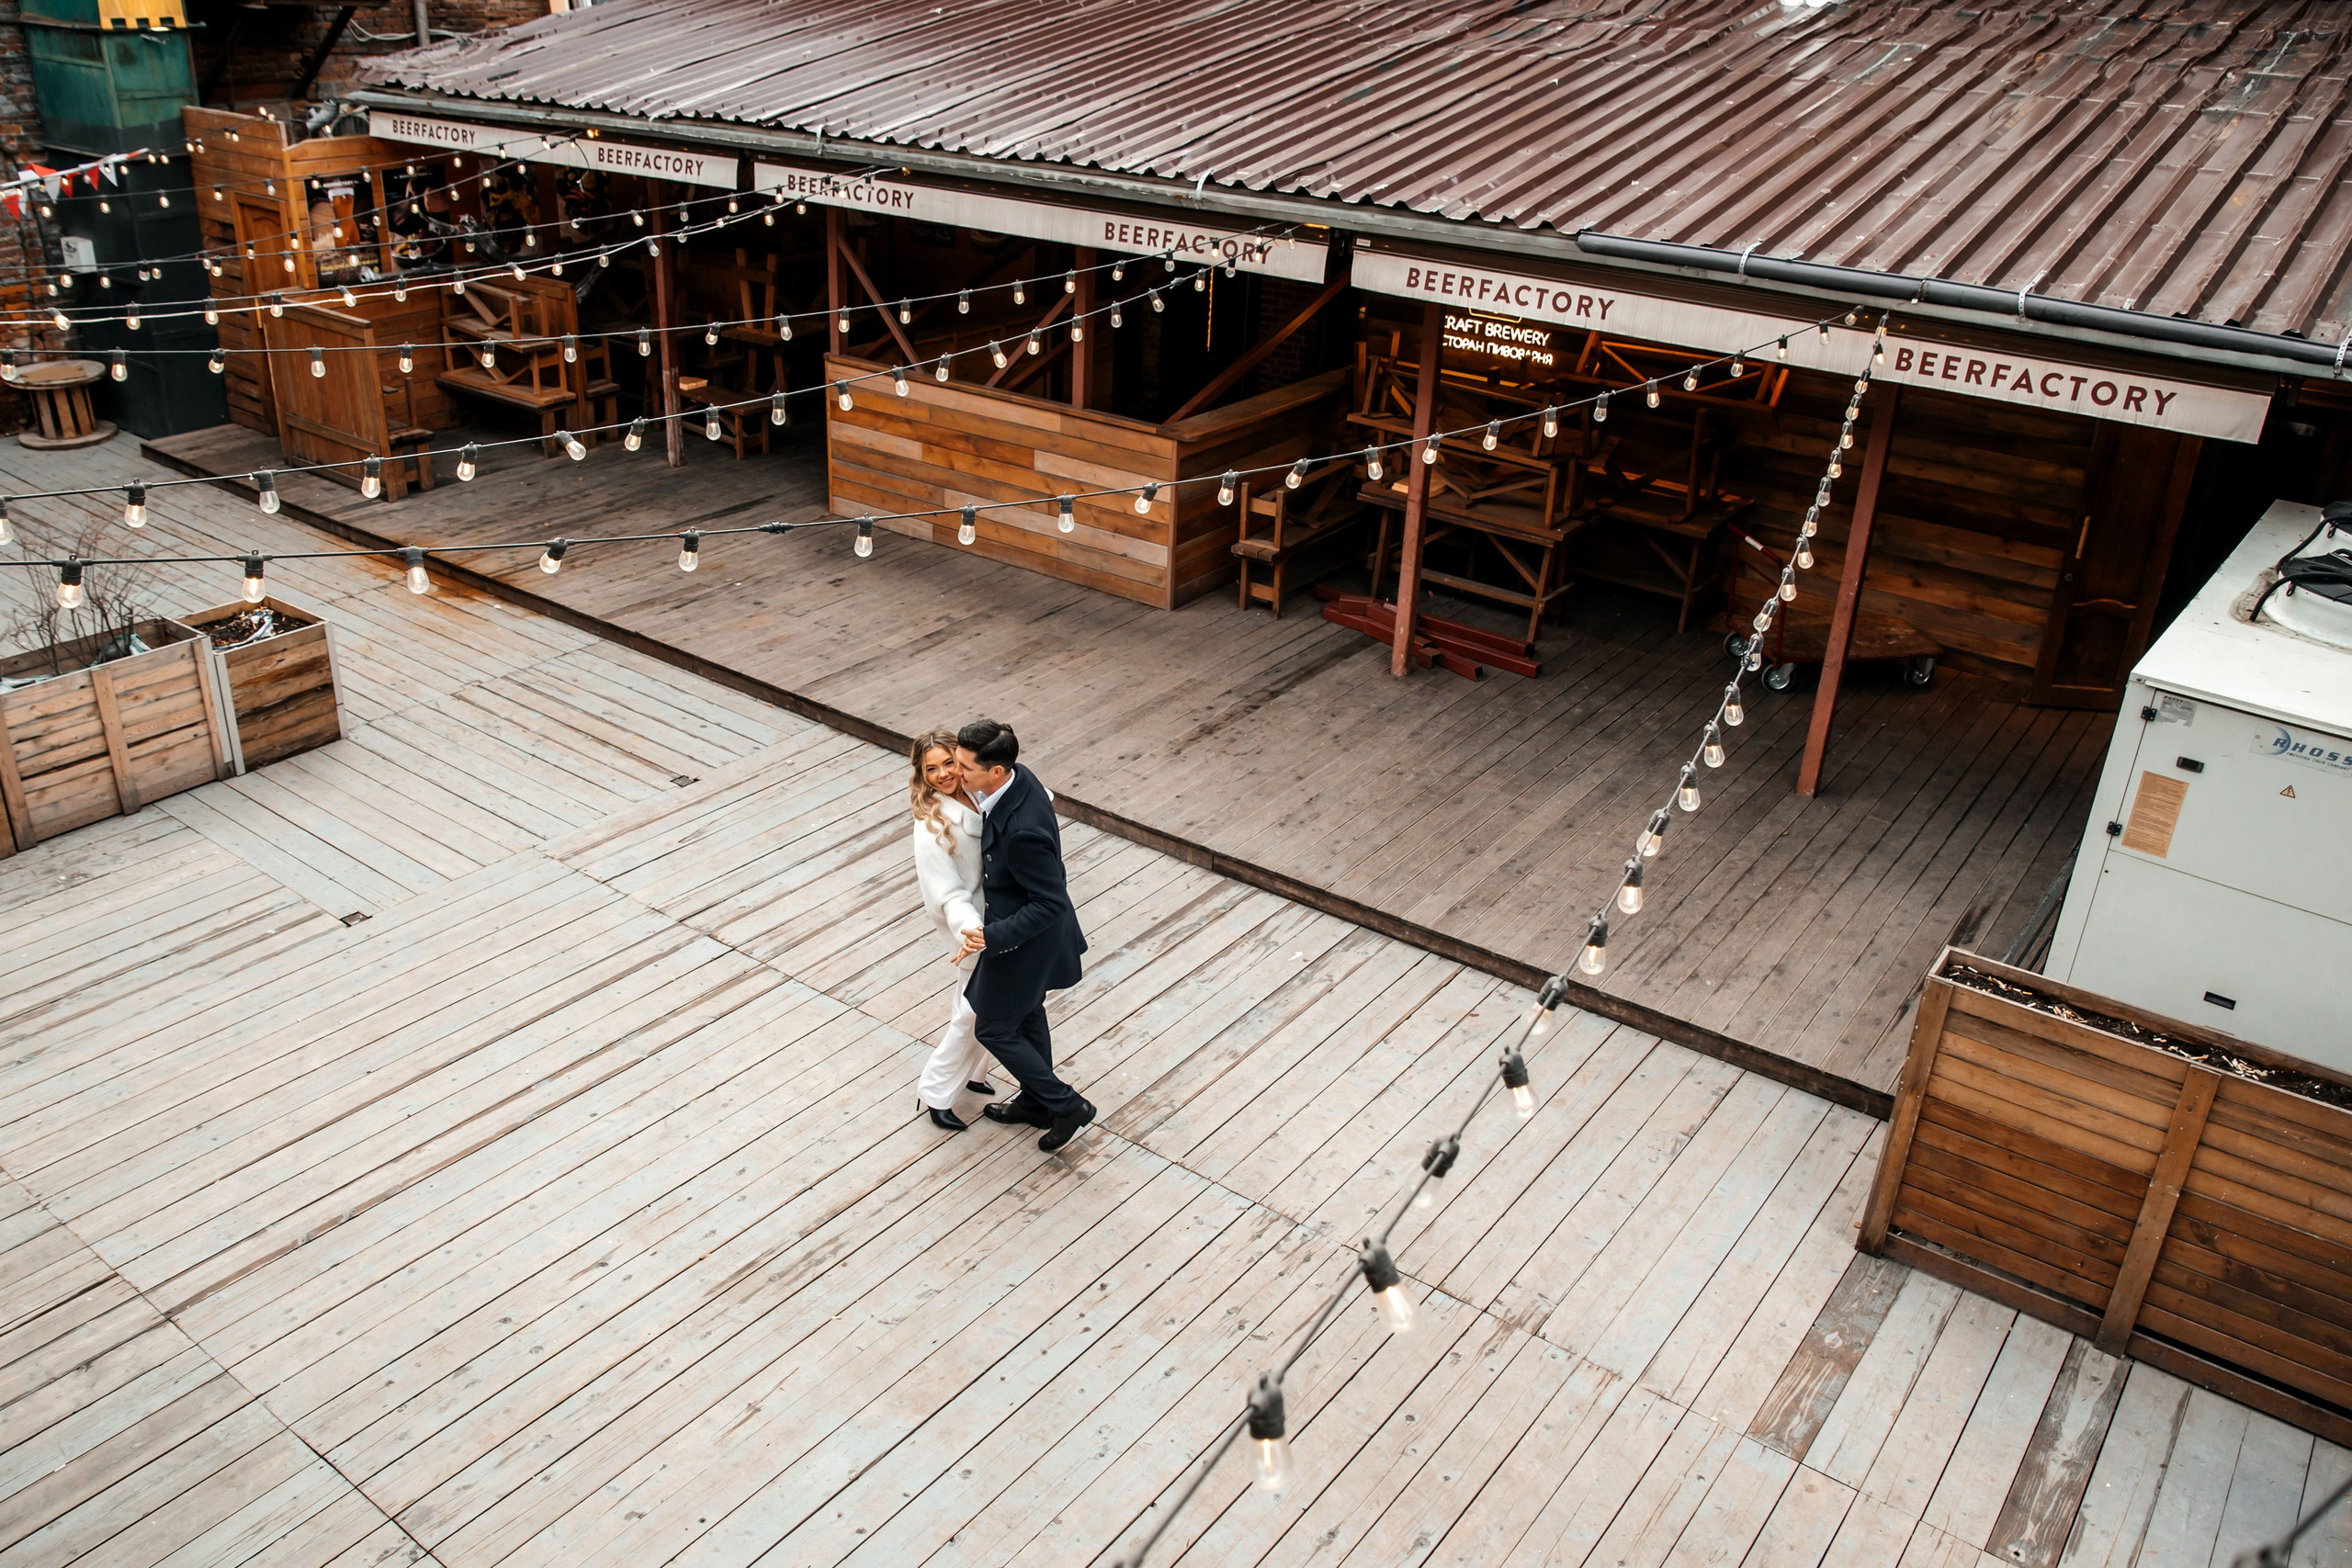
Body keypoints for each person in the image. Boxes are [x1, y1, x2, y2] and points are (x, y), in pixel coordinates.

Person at [952, 717, 1095, 1152]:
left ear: (996, 771)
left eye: (965, 769)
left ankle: (1065, 1104)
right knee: (1027, 1012)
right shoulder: (1019, 776)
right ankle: (1035, 1102)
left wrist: (993, 937)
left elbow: (1050, 902)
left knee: (993, 1028)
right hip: (1027, 936)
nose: (958, 775)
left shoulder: (1024, 831)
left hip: (1027, 941)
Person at [906, 730, 1000, 1131]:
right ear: (921, 774)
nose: (944, 774)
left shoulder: (977, 791)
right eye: (932, 769)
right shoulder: (932, 826)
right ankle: (935, 1093)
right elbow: (948, 894)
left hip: (1001, 920)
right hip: (974, 930)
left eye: (950, 763)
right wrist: (971, 930)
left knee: (985, 1009)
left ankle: (974, 1075)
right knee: (971, 1014)